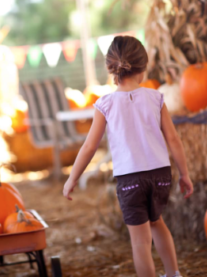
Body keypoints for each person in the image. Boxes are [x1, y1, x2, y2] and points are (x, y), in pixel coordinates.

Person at [63, 36, 193, 277]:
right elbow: (174, 139)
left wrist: (72, 178)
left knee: (140, 242)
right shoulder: (156, 98)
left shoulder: (106, 104)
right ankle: (173, 273)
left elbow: (90, 147)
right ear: (142, 68)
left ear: (112, 68)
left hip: (130, 179)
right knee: (158, 224)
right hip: (161, 175)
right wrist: (184, 174)